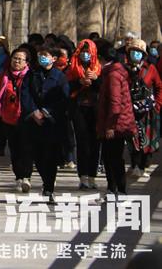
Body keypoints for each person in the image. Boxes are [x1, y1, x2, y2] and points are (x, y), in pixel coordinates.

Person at [20, 44, 69, 202]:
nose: (42, 58)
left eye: (45, 55)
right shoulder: (32, 74)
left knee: (50, 156)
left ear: (53, 59)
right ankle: (45, 180)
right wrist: (34, 111)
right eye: (40, 55)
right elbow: (25, 94)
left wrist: (47, 112)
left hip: (52, 122)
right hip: (34, 121)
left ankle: (49, 188)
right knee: (37, 155)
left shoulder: (60, 77)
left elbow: (64, 98)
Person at [0, 47, 32, 192]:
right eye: (14, 58)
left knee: (26, 149)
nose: (16, 61)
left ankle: (27, 177)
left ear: (26, 62)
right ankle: (19, 177)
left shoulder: (31, 76)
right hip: (9, 118)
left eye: (20, 59)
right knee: (14, 149)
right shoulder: (5, 76)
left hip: (27, 118)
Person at [96, 39, 137, 197]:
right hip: (116, 122)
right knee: (110, 157)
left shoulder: (113, 75)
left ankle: (119, 188)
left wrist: (110, 126)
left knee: (113, 158)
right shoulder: (114, 72)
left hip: (115, 124)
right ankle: (113, 188)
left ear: (101, 58)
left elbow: (115, 103)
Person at [66, 39, 102, 190]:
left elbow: (104, 88)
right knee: (82, 142)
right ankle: (83, 176)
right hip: (79, 109)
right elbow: (66, 88)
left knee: (95, 143)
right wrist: (79, 82)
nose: (85, 55)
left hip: (96, 109)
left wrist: (96, 80)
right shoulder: (72, 68)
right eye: (83, 52)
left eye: (88, 52)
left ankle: (92, 175)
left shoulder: (99, 68)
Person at [124, 39, 162, 177]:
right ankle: (134, 164)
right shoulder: (123, 69)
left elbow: (159, 87)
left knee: (146, 139)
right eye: (133, 51)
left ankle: (142, 165)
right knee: (132, 139)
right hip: (129, 110)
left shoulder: (150, 69)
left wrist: (157, 105)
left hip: (147, 111)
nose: (136, 54)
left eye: (139, 52)